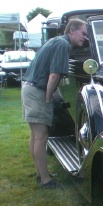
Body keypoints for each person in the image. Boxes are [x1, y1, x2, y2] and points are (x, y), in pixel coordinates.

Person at [21, 18, 87, 188]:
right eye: (83, 33)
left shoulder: (54, 41)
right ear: (72, 30)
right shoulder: (63, 45)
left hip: (29, 88)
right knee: (41, 137)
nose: (85, 38)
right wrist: (49, 98)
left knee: (35, 136)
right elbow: (54, 75)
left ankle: (40, 174)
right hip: (38, 91)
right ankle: (46, 180)